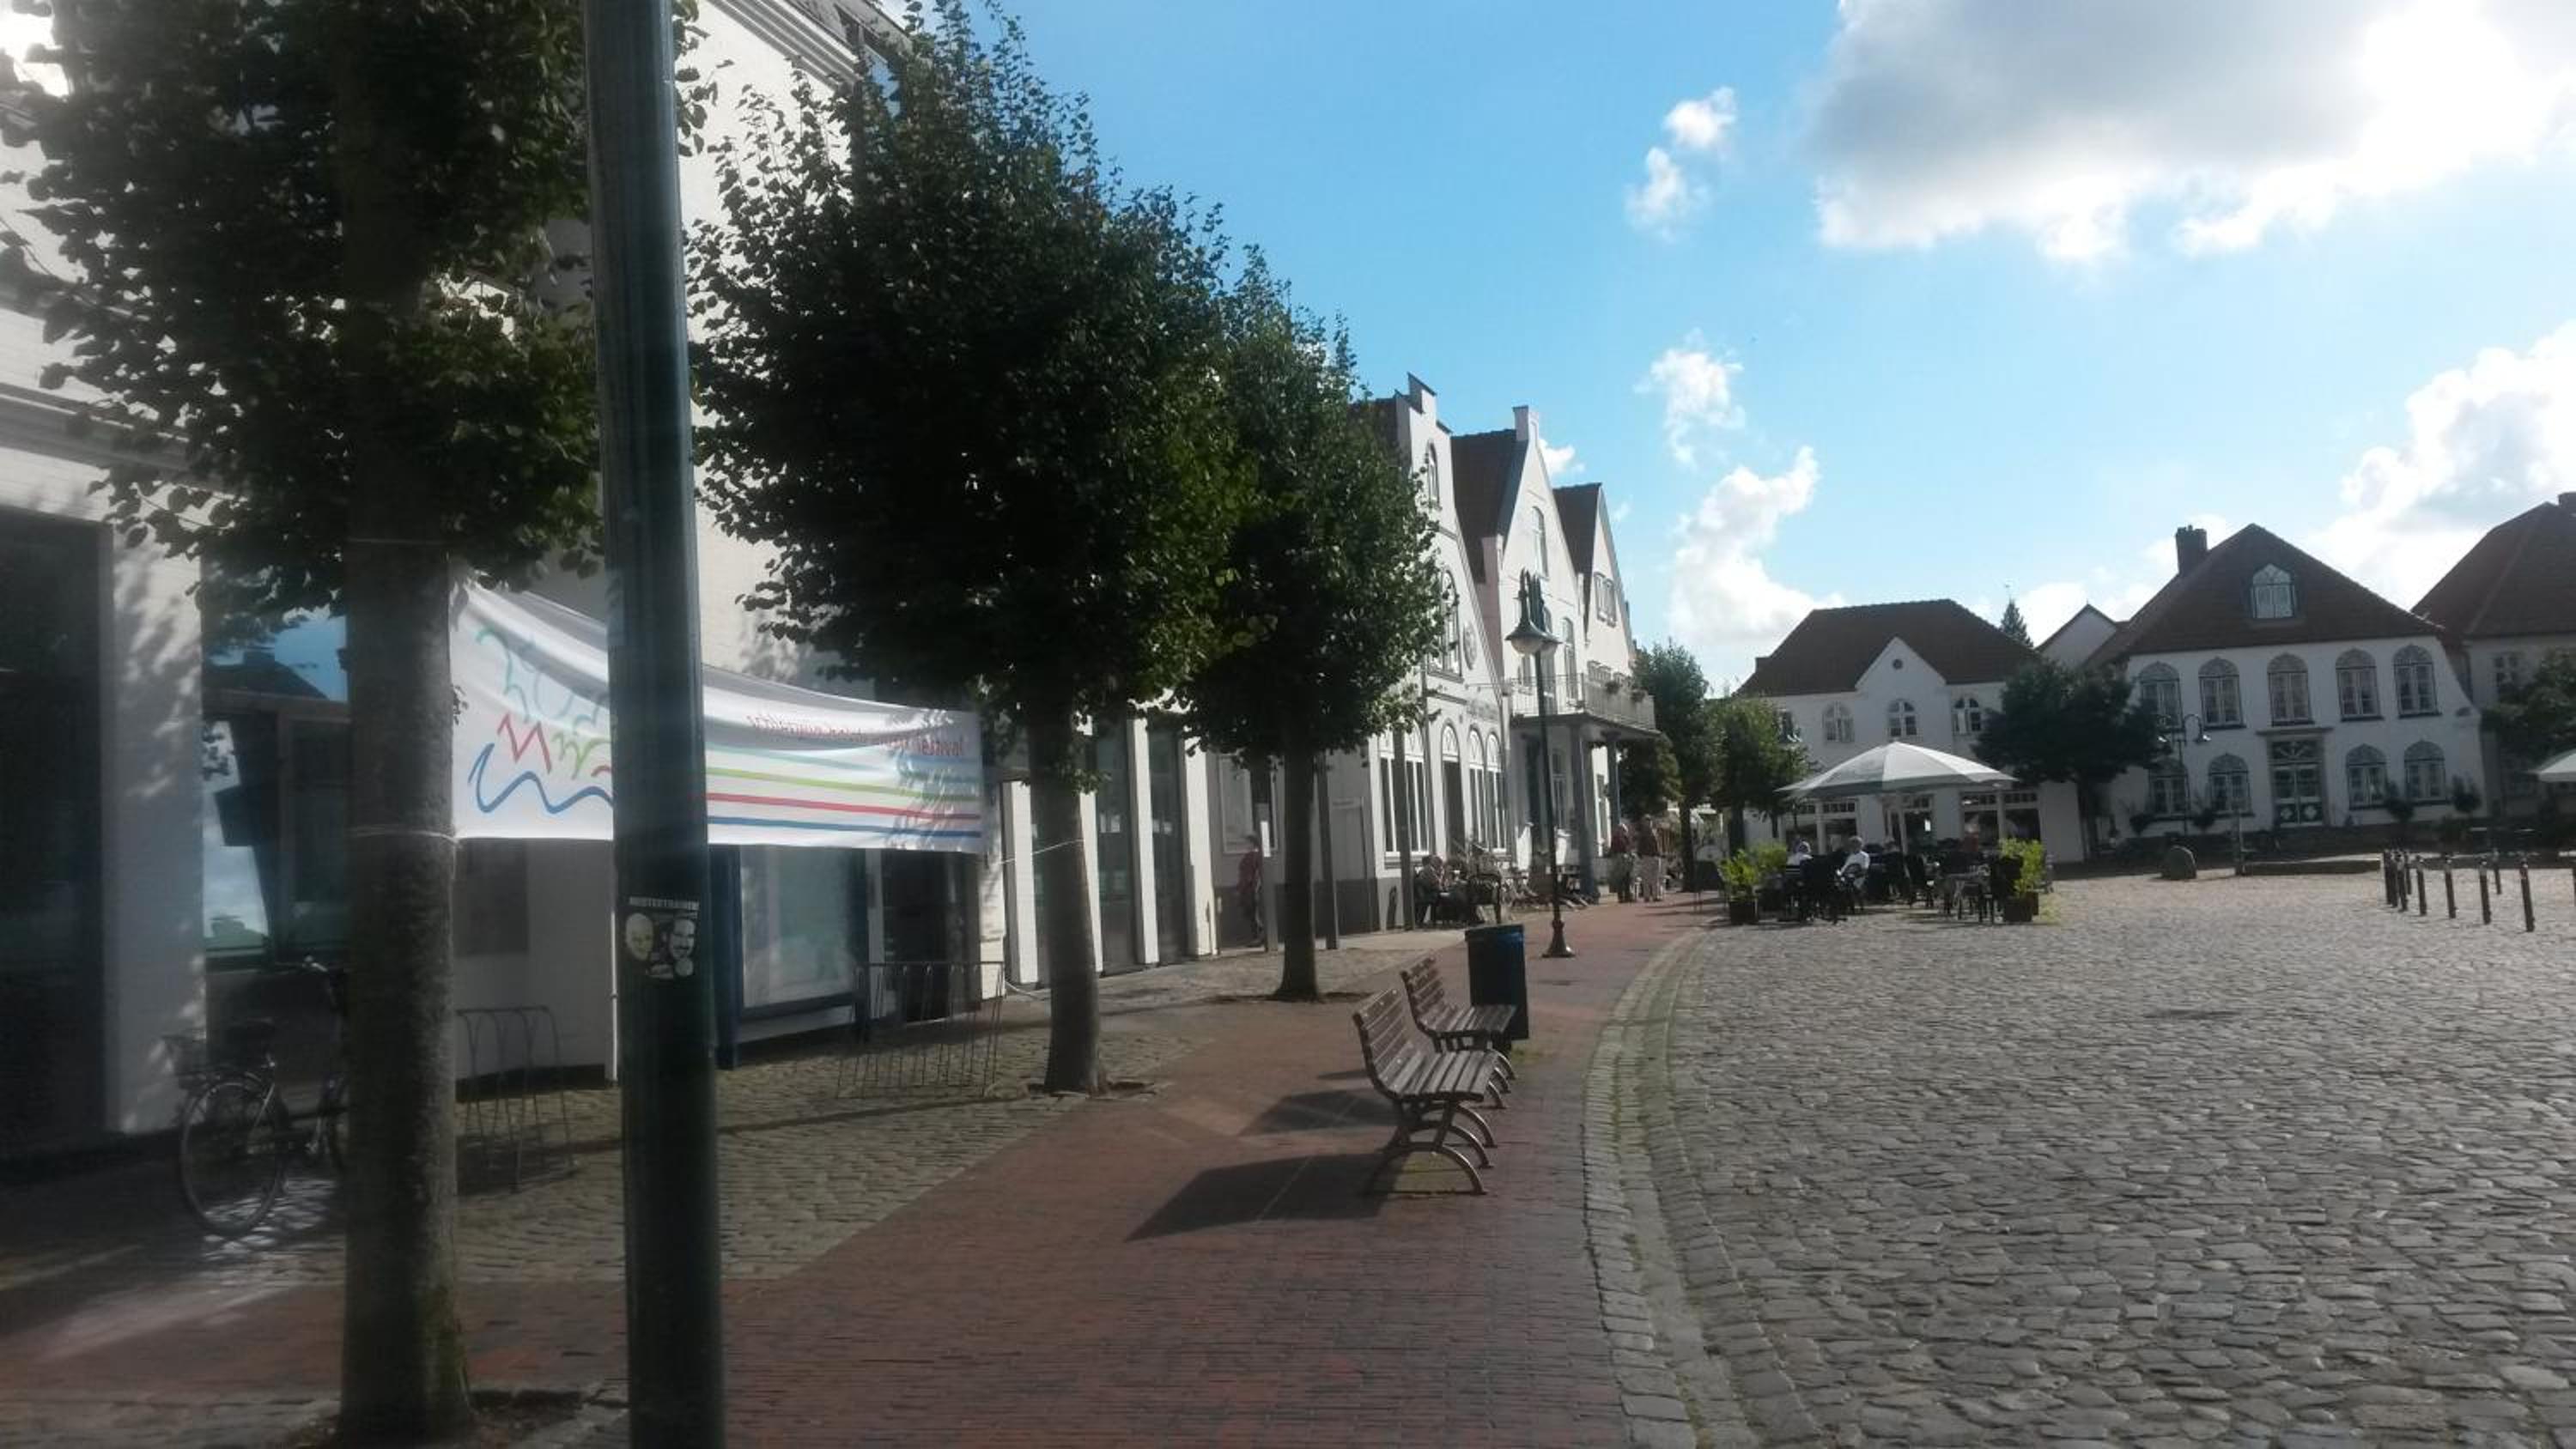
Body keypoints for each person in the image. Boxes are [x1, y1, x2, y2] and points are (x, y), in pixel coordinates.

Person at [1236, 835, 1265, 940]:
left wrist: (1240, 889)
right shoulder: (1258, 856)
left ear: (1252, 844)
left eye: (1247, 843)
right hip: (1255, 888)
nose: (1245, 845)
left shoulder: (1250, 857)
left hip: (1249, 890)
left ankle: (1258, 936)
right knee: (1254, 914)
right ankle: (1259, 935)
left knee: (1252, 914)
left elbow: (1247, 876)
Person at [1637, 817, 1665, 902]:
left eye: (1650, 822)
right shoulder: (1643, 834)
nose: (1649, 824)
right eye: (1647, 822)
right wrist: (1641, 855)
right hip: (1647, 856)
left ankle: (1656, 895)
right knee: (1646, 878)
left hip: (1656, 856)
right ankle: (1647, 896)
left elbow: (1658, 844)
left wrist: (1660, 853)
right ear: (1644, 823)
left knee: (1656, 877)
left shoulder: (1655, 832)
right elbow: (1640, 846)